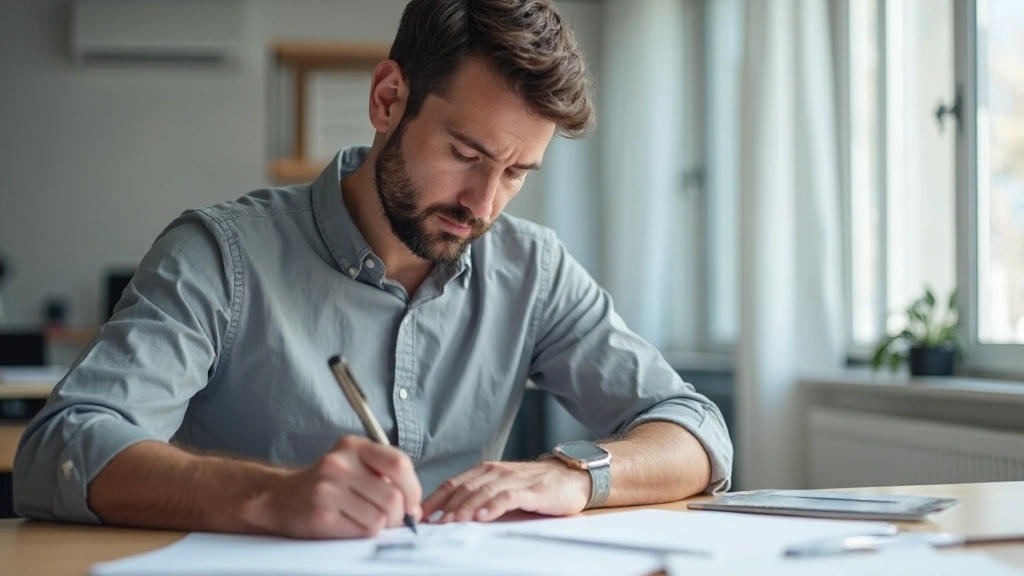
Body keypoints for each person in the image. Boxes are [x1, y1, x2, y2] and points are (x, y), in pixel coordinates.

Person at [14, 0, 732, 539]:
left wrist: (578, 475)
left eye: (516, 172)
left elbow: (696, 432)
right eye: (467, 154)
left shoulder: (531, 268)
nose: (484, 203)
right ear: (388, 99)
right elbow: (60, 449)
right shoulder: (221, 255)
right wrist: (271, 496)